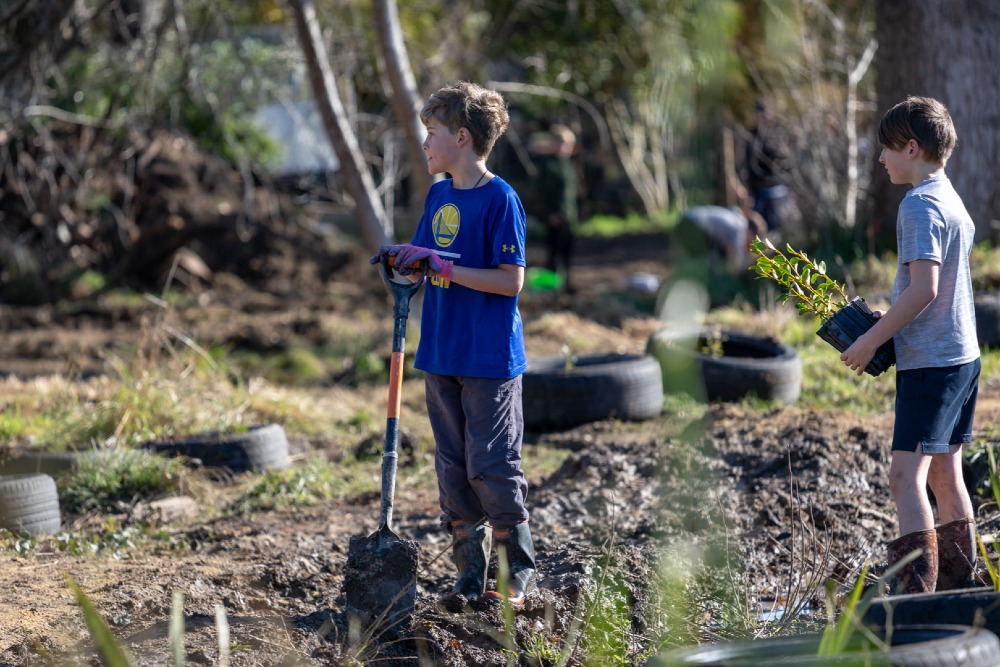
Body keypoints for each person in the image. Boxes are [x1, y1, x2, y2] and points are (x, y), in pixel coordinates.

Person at [369, 81, 537, 610]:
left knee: (490, 463)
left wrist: (447, 268)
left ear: (461, 138)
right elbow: (427, 254)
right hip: (441, 351)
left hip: (488, 357)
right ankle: (470, 575)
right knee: (452, 467)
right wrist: (405, 258)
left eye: (432, 134)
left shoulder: (500, 200)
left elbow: (511, 282)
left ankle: (514, 574)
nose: (425, 145)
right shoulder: (439, 194)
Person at [841, 96, 980, 594]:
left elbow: (926, 289)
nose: (881, 158)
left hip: (933, 364)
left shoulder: (918, 203)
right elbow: (927, 289)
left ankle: (917, 600)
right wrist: (889, 314)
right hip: (962, 357)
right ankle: (963, 593)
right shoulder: (949, 196)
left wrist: (869, 340)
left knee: (905, 478)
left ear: (912, 147)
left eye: (887, 149)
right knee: (945, 474)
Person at [533, 124, 580, 292]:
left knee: (567, 251)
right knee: (553, 252)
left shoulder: (568, 165)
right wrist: (550, 213)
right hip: (555, 216)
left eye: (568, 144)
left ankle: (567, 283)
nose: (565, 147)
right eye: (562, 143)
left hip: (568, 215)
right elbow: (545, 191)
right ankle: (551, 285)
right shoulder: (549, 165)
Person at [737, 100, 793, 232]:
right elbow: (747, 164)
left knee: (777, 226)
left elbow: (785, 161)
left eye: (765, 113)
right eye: (759, 114)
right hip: (757, 190)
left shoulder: (778, 132)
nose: (763, 117)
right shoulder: (752, 135)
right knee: (758, 228)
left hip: (776, 188)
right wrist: (747, 189)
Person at [673, 204, 766, 273]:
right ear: (751, 232)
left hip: (686, 220)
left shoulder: (734, 217)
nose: (749, 247)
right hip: (695, 227)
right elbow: (736, 256)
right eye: (751, 242)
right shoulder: (740, 226)